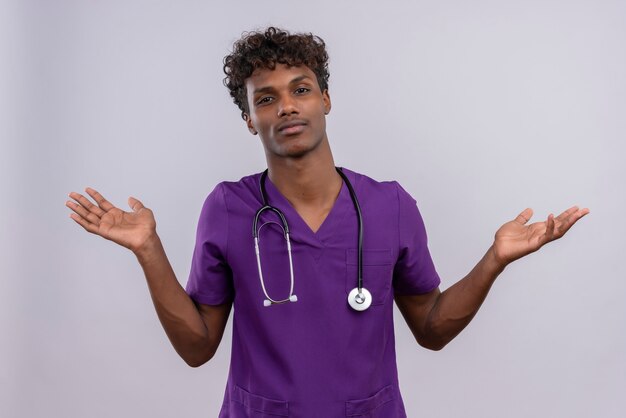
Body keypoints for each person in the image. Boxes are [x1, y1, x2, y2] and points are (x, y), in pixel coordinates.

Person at [66, 27, 589, 417]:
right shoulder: (228, 208)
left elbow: (431, 328)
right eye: (266, 99)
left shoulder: (390, 205)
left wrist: (493, 260)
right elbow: (198, 346)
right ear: (250, 120)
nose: (287, 107)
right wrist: (148, 249)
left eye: (301, 89)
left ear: (326, 100)